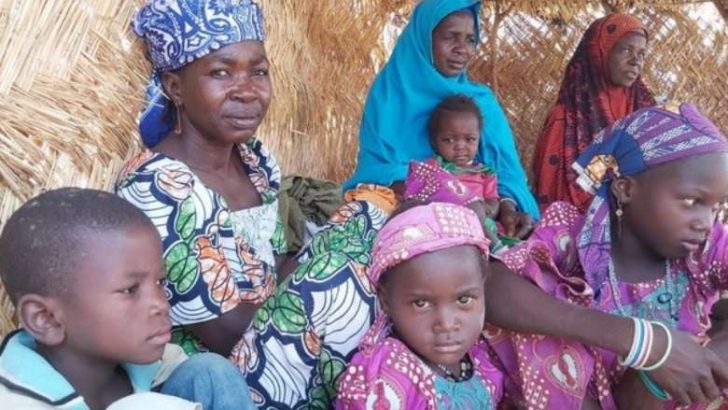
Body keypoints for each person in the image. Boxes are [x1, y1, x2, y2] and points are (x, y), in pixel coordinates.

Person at [122, 0, 386, 407]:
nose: (247, 91)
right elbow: (225, 332)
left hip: (276, 327)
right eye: (221, 72)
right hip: (221, 372)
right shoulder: (158, 184)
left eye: (258, 71)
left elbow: (274, 265)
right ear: (175, 88)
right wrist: (319, 288)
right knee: (339, 273)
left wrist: (317, 268)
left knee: (370, 218)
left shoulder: (254, 161)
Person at [486, 104, 728, 409]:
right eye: (692, 201)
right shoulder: (573, 240)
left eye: (716, 206)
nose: (706, 222)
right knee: (532, 328)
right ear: (625, 189)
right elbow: (490, 285)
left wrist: (720, 346)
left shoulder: (703, 247)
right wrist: (644, 342)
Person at [0, 188, 256, 410]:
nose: (160, 303)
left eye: (159, 282)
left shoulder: (151, 364)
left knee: (209, 372)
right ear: (47, 319)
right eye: (130, 290)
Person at [343, 0, 539, 235]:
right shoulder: (389, 95)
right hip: (402, 209)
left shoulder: (482, 102)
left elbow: (507, 176)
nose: (462, 49)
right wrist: (442, 196)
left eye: (470, 39)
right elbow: (378, 169)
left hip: (481, 217)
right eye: (450, 37)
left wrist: (508, 207)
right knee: (360, 222)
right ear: (424, 38)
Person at [336, 201, 503, 409]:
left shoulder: (483, 359)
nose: (447, 323)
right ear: (386, 301)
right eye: (421, 303)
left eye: (463, 300)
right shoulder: (385, 377)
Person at [532, 13, 656, 211]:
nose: (636, 61)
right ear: (599, 53)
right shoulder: (565, 120)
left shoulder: (647, 115)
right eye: (626, 50)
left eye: (642, 54)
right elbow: (553, 203)